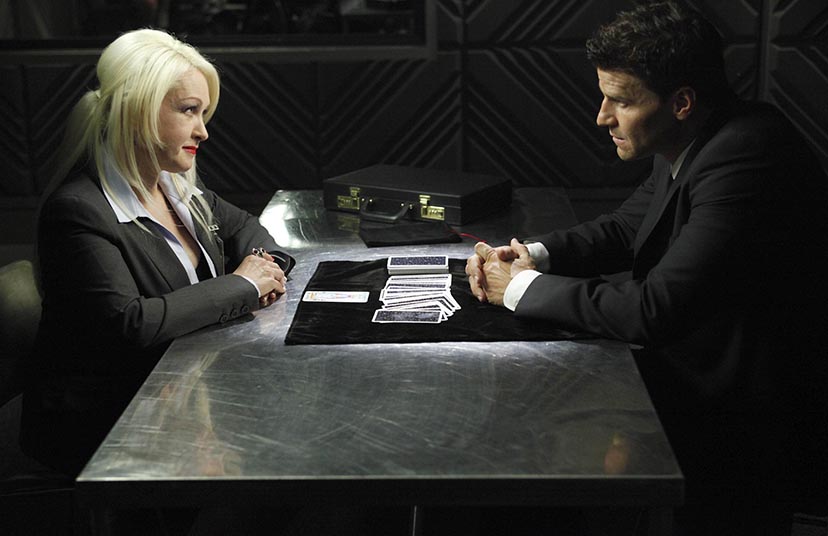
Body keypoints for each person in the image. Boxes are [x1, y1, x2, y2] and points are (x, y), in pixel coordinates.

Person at [466, 1, 828, 534]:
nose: (602, 117)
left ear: (681, 102)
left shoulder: (746, 154)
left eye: (620, 101)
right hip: (702, 385)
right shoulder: (702, 138)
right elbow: (623, 227)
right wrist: (525, 255)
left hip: (743, 423)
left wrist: (520, 288)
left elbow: (656, 308)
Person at [20, 28, 295, 478]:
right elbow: (129, 324)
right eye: (189, 111)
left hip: (180, 396)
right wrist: (245, 285)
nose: (203, 131)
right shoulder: (77, 209)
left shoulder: (176, 187)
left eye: (203, 113)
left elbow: (245, 226)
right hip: (108, 425)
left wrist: (268, 267)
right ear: (138, 112)